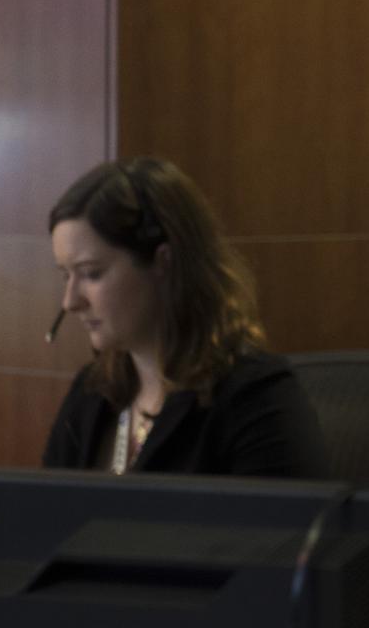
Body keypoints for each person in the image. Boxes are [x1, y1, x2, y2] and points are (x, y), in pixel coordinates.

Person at [41, 156, 327, 476]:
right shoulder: (92, 391)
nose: (70, 302)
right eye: (66, 276)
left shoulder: (253, 398)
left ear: (163, 261)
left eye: (91, 274)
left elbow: (281, 526)